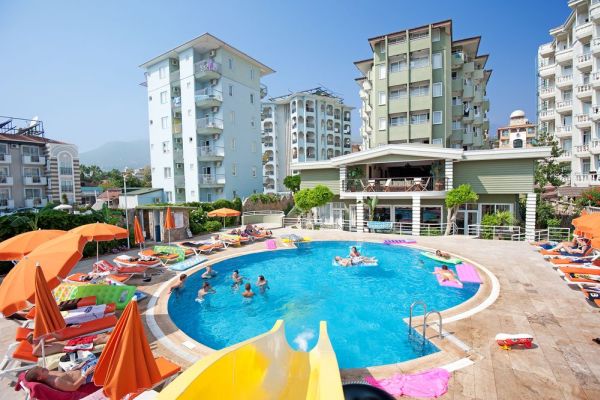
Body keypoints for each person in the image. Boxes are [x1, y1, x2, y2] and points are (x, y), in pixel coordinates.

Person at [25, 363, 96, 392]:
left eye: (42, 367)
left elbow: (66, 374)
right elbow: (73, 387)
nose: (45, 368)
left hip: (84, 369)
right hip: (88, 376)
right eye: (42, 370)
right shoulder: (56, 382)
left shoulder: (48, 373)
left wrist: (77, 367)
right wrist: (86, 373)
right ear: (39, 378)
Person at [27, 333, 110, 357]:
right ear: (34, 340)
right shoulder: (38, 349)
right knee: (99, 340)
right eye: (38, 335)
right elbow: (34, 352)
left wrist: (51, 333)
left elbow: (60, 338)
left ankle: (114, 336)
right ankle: (116, 339)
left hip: (72, 342)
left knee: (100, 336)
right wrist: (41, 339)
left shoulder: (44, 343)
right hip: (71, 347)